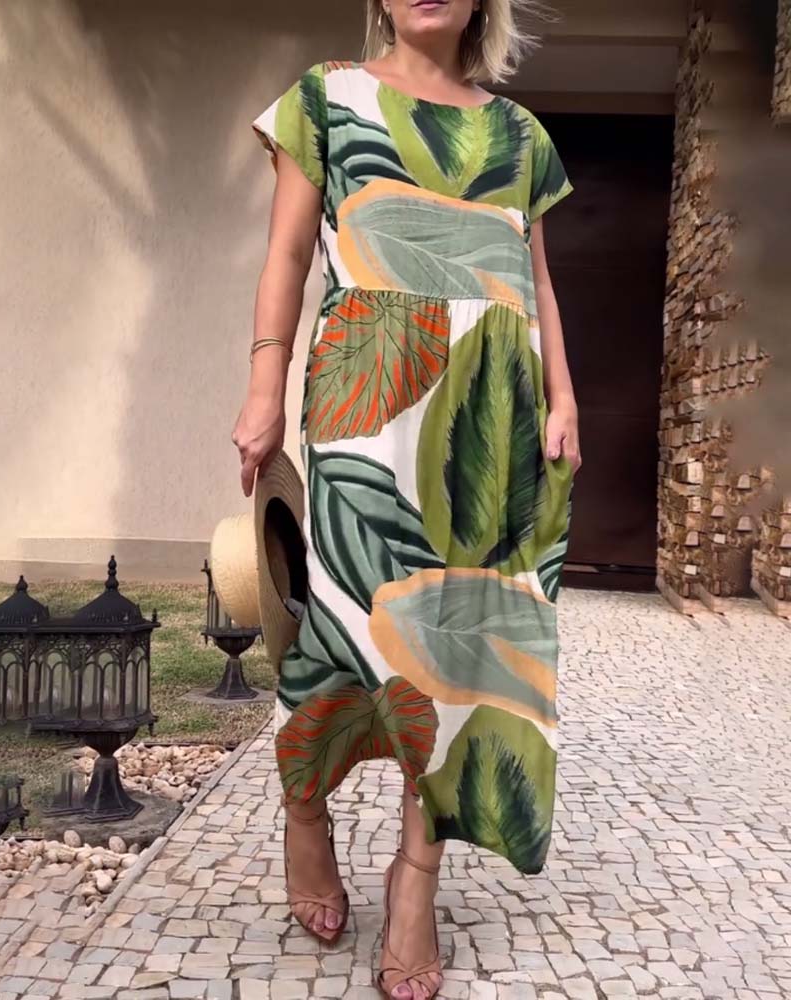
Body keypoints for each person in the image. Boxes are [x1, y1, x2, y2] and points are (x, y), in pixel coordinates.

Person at [233, 1, 581, 996]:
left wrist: (562, 396)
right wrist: (263, 387)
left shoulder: (518, 133)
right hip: (369, 397)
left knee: (462, 652)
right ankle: (306, 812)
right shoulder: (326, 98)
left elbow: (535, 278)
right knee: (344, 627)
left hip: (493, 413)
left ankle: (416, 876)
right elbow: (285, 256)